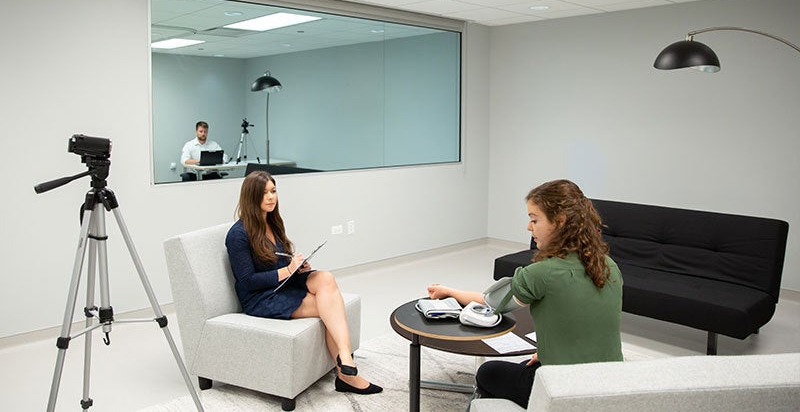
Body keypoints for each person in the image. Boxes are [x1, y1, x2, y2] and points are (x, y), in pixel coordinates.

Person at [427, 179, 623, 408]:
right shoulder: (609, 265)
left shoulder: (542, 273)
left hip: (563, 389)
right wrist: (548, 352)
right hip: (611, 383)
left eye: (534, 219)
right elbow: (590, 321)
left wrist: (449, 291)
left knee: (488, 372)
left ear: (559, 222)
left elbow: (490, 302)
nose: (529, 228)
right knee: (525, 365)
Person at [225, 171, 382, 395]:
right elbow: (248, 281)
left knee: (326, 278)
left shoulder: (272, 221)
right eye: (264, 193)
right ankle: (346, 374)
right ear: (251, 197)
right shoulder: (237, 235)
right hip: (261, 296)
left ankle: (345, 356)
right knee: (330, 306)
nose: (271, 197)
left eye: (273, 191)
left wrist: (297, 267)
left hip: (283, 283)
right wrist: (287, 270)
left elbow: (279, 259)